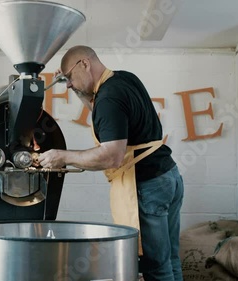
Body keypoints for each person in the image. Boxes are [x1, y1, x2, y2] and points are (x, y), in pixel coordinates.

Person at [38, 45, 184, 281]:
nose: (68, 84)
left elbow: (111, 156)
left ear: (84, 64)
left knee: (155, 265)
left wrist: (62, 156)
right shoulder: (125, 79)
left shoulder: (109, 98)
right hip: (169, 176)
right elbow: (100, 112)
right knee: (170, 258)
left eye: (69, 78)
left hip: (147, 184)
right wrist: (76, 89)